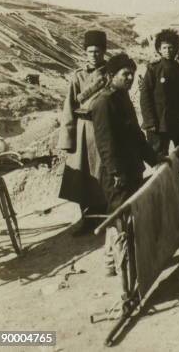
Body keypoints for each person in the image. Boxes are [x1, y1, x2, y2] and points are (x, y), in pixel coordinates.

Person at [92, 53, 162, 276]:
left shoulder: (122, 97)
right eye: (125, 74)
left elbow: (136, 136)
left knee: (125, 217)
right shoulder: (103, 103)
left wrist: (155, 159)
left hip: (131, 168)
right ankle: (119, 266)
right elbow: (105, 144)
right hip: (116, 173)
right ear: (112, 75)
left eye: (132, 74)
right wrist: (115, 172)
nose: (130, 78)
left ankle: (114, 262)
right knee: (119, 218)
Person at [58, 30, 108, 236]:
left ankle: (107, 216)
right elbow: (69, 107)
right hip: (82, 130)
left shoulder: (109, 74)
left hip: (103, 129)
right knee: (82, 177)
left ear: (103, 52)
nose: (93, 55)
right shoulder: (77, 76)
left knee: (103, 174)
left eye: (97, 51)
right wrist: (67, 139)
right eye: (89, 52)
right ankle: (86, 218)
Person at [140, 29, 179, 188]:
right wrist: (150, 121)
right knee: (160, 155)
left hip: (175, 120)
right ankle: (164, 186)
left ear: (177, 48)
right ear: (159, 49)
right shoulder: (153, 69)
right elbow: (145, 97)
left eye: (171, 47)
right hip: (158, 122)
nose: (168, 51)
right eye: (165, 47)